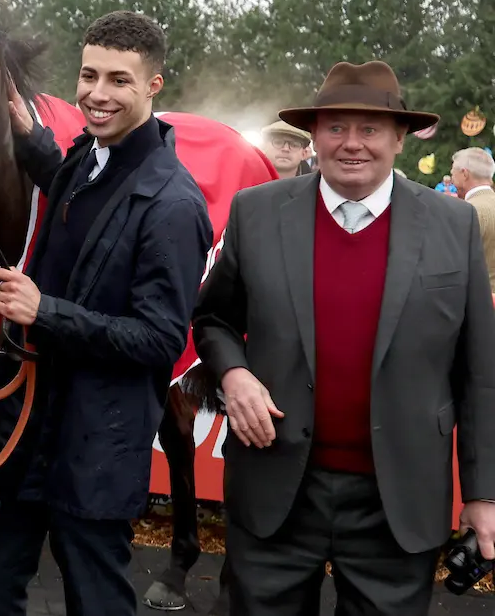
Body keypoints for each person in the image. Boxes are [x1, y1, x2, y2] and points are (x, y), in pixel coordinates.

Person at [192, 60, 495, 615]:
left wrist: (483, 494)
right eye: (335, 127)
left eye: (370, 129)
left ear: (399, 138)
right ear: (315, 136)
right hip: (275, 487)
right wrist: (233, 374)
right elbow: (213, 319)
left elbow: (479, 372)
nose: (352, 143)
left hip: (397, 499)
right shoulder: (257, 212)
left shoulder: (453, 225)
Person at [0, 11, 212, 616]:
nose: (97, 94)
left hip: (97, 443)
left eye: (118, 80)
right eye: (88, 76)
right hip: (28, 429)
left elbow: (160, 340)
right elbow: (78, 197)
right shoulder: (88, 156)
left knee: (96, 600)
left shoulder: (175, 204)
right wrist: (32, 142)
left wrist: (44, 311)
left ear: (153, 85)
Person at [451, 146, 495, 290]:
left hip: (481, 298)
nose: (451, 180)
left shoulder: (466, 211)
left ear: (464, 174)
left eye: (452, 174)